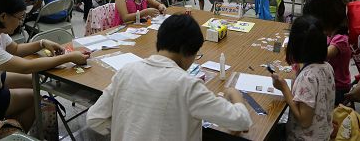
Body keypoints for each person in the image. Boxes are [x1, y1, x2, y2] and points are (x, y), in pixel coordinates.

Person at [87, 14, 252, 140]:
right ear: (187, 51)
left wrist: (128, 131)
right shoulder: (187, 85)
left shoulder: (126, 71)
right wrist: (234, 95)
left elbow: (94, 119)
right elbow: (242, 121)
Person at [0, 0, 88, 130]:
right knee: (34, 97)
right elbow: (26, 66)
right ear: (3, 16)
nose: (21, 22)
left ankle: (12, 118)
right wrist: (69, 57)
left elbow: (15, 49)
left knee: (31, 81)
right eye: (20, 18)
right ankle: (13, 135)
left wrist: (41, 43)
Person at [271, 15, 335, 140]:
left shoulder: (307, 78)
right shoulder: (327, 66)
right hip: (323, 134)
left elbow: (304, 121)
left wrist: (284, 89)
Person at [303, 0, 351, 105]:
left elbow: (322, 55)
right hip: (328, 80)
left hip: (338, 87)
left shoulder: (341, 39)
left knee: (305, 98)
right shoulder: (331, 32)